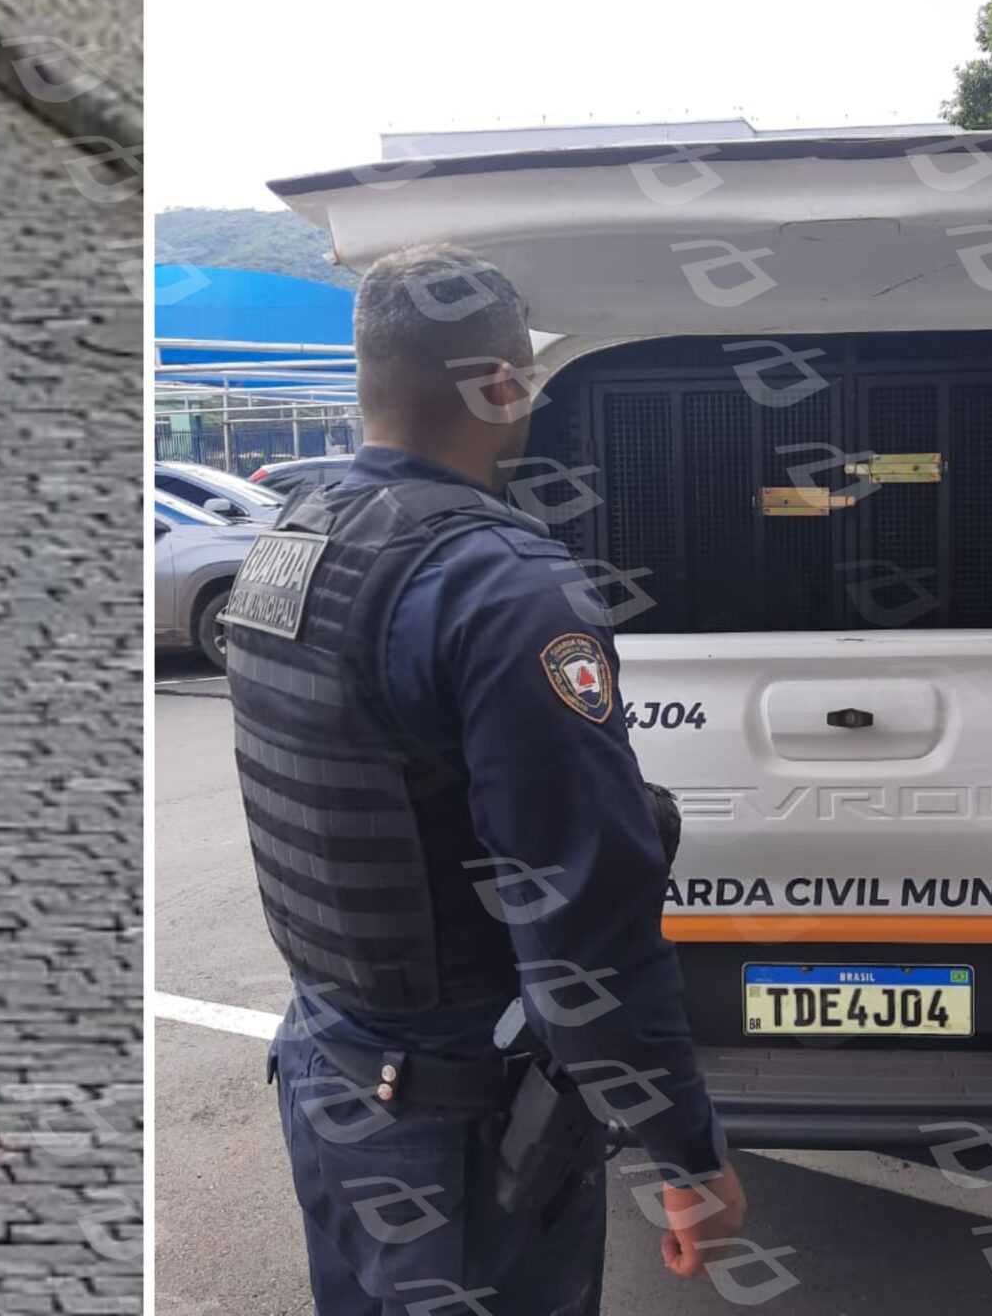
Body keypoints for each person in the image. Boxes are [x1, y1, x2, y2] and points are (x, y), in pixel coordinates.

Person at [225, 243, 748, 1314]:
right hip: (458, 1132)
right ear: (501, 386)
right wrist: (685, 1152)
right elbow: (585, 917)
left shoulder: (286, 544)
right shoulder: (501, 588)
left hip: (329, 1080)